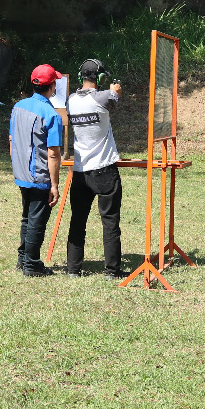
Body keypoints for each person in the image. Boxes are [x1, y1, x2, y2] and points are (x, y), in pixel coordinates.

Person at [64, 58, 124, 278]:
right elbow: (114, 98)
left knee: (77, 220)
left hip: (80, 171)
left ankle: (73, 269)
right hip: (104, 170)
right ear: (99, 78)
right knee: (110, 221)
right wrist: (115, 88)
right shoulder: (104, 97)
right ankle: (112, 270)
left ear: (80, 77)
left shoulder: (70, 100)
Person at [9, 64, 63, 277]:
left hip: (21, 173)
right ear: (53, 86)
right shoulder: (51, 115)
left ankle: (23, 259)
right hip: (40, 176)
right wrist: (55, 185)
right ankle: (31, 264)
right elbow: (53, 154)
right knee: (37, 220)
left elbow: (12, 140)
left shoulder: (18, 107)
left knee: (27, 217)